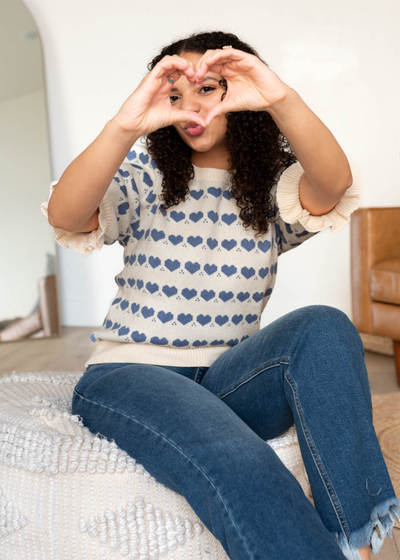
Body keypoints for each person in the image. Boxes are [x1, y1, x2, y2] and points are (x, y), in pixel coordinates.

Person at [41, 30, 400, 560]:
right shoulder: (147, 175)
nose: (191, 105)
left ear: (241, 94)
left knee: (325, 325)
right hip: (133, 375)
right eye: (174, 93)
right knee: (243, 460)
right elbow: (66, 215)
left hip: (231, 380)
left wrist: (279, 96)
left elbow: (332, 182)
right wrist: (125, 124)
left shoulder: (271, 188)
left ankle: (357, 544)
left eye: (209, 88)